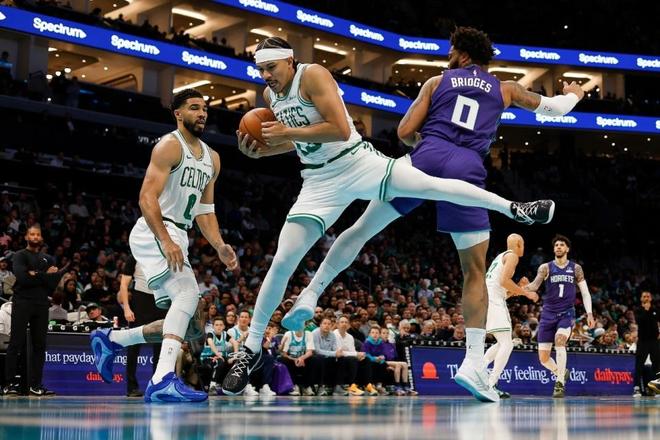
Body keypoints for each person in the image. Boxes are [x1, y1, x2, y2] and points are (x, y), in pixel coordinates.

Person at [222, 34, 555, 396]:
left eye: (271, 67)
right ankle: (251, 349)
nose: (266, 75)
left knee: (432, 185)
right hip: (318, 181)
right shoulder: (271, 96)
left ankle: (513, 208)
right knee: (283, 260)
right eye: (261, 69)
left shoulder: (313, 74)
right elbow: (299, 140)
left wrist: (285, 131)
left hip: (358, 163)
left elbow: (339, 129)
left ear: (289, 61)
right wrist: (264, 150)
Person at [90, 88, 238, 403]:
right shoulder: (169, 146)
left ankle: (113, 340)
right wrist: (165, 239)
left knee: (192, 326)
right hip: (155, 230)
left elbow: (205, 211)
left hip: (179, 233)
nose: (202, 113)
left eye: (205, 109)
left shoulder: (212, 158)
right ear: (178, 113)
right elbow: (146, 197)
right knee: (187, 294)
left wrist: (219, 245)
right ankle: (161, 380)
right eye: (194, 108)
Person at [523, 235, 595, 398]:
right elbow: (534, 285)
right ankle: (560, 372)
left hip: (566, 313)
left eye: (562, 245)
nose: (559, 247)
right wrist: (519, 288)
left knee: (560, 341)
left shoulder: (576, 268)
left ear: (567, 249)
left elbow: (585, 293)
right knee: (543, 359)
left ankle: (559, 383)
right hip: (548, 314)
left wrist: (589, 313)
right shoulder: (545, 267)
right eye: (556, 245)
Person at [3, 225, 66, 397]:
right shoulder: (20, 255)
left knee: (40, 345)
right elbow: (23, 279)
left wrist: (35, 274)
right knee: (15, 342)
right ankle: (9, 384)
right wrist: (45, 274)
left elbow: (52, 284)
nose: (35, 237)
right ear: (26, 237)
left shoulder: (48, 258)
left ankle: (35, 385)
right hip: (22, 302)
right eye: (32, 234)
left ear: (41, 238)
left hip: (42, 304)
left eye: (38, 234)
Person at [482, 234, 538, 399]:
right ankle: (490, 384)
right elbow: (504, 281)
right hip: (494, 301)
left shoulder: (500, 257)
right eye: (523, 244)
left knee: (502, 342)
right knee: (507, 344)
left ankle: (478, 370)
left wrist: (518, 288)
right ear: (519, 243)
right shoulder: (512, 255)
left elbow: (504, 292)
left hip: (488, 300)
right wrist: (527, 293)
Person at [117, 254, 166, 398]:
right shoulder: (135, 256)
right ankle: (131, 387)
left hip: (160, 300)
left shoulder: (163, 255)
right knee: (134, 345)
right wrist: (126, 308)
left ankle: (156, 385)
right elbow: (124, 284)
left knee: (160, 346)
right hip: (140, 299)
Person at [634, 291, 659, 396]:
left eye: (648, 296)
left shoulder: (655, 310)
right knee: (639, 364)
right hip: (643, 341)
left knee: (657, 365)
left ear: (651, 298)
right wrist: (646, 310)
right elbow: (639, 321)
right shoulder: (638, 310)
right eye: (644, 296)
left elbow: (657, 322)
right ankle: (637, 388)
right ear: (641, 299)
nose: (646, 298)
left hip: (654, 341)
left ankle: (656, 388)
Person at [200, 317, 232, 394]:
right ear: (213, 326)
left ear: (224, 326)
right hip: (207, 357)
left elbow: (235, 342)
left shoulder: (225, 334)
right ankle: (212, 385)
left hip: (219, 357)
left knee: (230, 361)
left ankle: (226, 385)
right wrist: (217, 354)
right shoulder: (210, 334)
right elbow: (210, 342)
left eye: (221, 325)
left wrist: (235, 354)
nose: (219, 327)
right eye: (216, 325)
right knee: (219, 361)